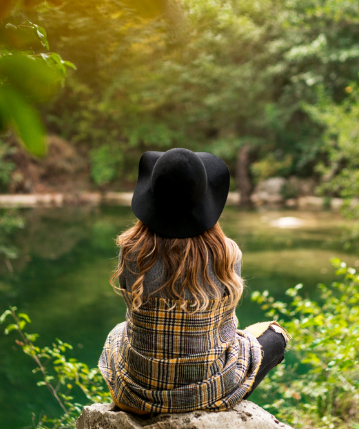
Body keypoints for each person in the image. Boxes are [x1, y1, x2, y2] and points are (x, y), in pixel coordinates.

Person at [98, 148, 290, 415]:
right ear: (204, 201)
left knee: (120, 331)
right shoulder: (228, 253)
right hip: (206, 393)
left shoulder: (131, 250)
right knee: (275, 336)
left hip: (135, 394)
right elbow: (225, 332)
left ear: (152, 197)